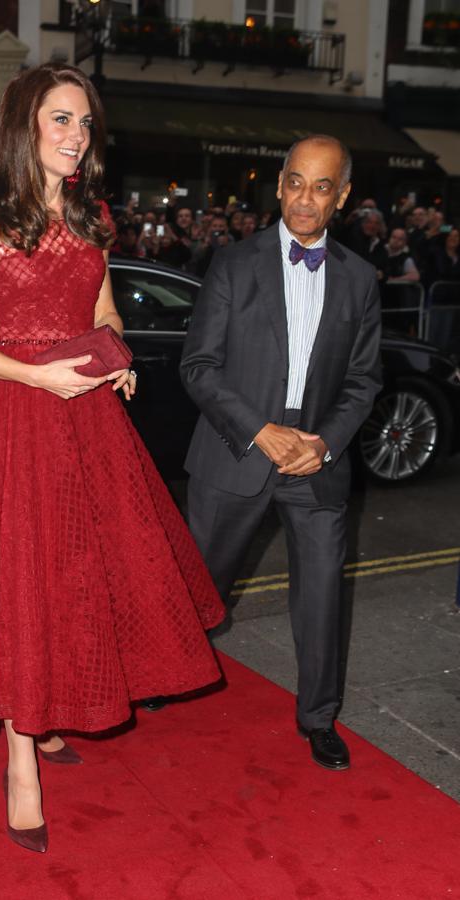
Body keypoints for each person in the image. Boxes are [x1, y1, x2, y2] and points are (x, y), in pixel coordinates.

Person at [0, 63, 224, 854]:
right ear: (24, 126)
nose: (77, 138)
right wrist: (37, 373)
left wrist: (120, 356)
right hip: (17, 415)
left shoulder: (91, 214)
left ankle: (45, 719)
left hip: (91, 422)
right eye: (61, 121)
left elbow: (104, 305)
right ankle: (21, 764)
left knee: (82, 574)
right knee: (21, 583)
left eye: (84, 124)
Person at [180, 134, 382, 772]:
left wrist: (323, 445)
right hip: (237, 448)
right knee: (198, 588)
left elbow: (364, 380)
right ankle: (167, 669)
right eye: (295, 181)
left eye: (322, 187)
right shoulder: (234, 264)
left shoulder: (360, 278)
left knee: (322, 595)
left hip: (315, 460)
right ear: (280, 184)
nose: (304, 198)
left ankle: (319, 717)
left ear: (341, 196)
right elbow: (200, 367)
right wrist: (260, 431)